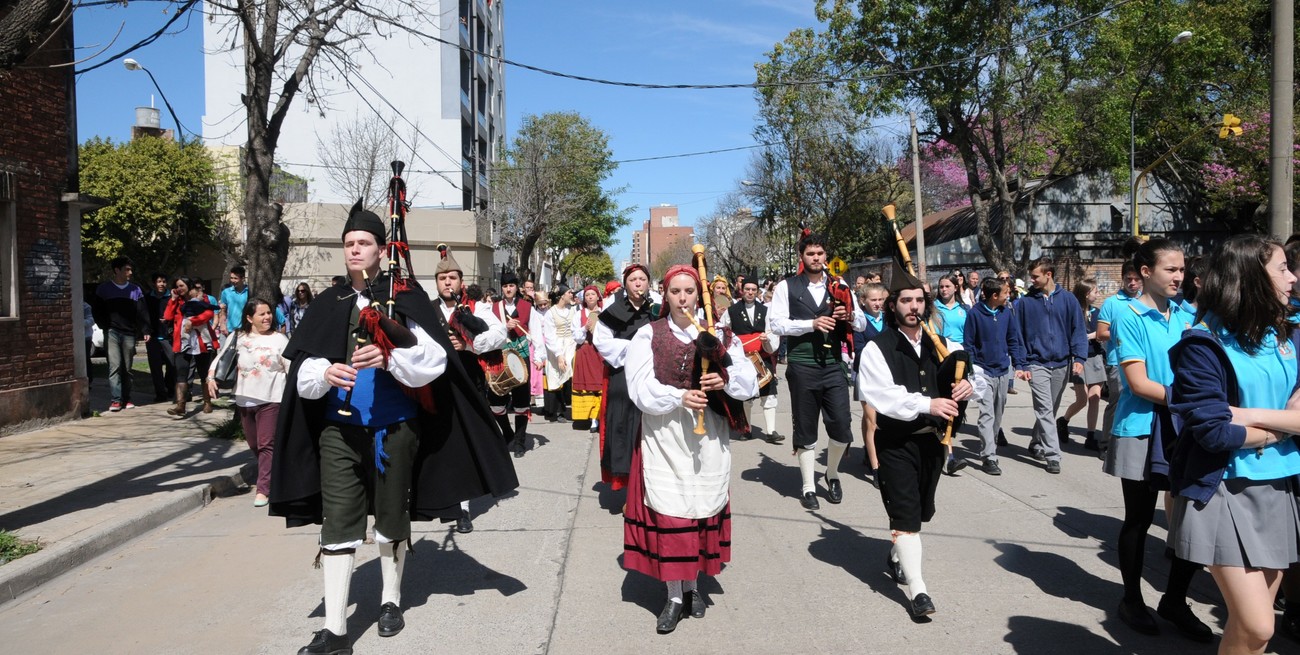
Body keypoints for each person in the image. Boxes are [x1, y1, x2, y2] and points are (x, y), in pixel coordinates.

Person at [270, 203, 517, 654]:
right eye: (349, 244)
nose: (355, 250)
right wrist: (324, 372)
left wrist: (390, 357)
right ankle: (335, 630)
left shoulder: (404, 299)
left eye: (364, 243)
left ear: (382, 250)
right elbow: (300, 369)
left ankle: (389, 600)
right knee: (338, 525)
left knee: (390, 518)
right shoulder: (329, 302)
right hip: (338, 432)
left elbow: (435, 361)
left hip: (395, 429)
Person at [1168, 234, 1300, 654]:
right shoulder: (1202, 344)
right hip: (1223, 488)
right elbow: (1214, 432)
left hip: (1278, 487)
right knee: (1259, 625)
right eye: (1282, 268)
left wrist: (1246, 415)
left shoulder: (1284, 335)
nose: (1293, 278)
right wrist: (1281, 428)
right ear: (1251, 278)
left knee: (1249, 634)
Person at [623, 264, 757, 634]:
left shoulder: (721, 335)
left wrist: (724, 379)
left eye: (689, 292)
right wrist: (679, 396)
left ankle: (694, 587)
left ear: (700, 296)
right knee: (671, 513)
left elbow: (750, 382)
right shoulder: (648, 335)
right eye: (675, 292)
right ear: (664, 296)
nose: (683, 299)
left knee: (701, 510)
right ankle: (674, 595)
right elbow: (639, 387)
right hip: (665, 434)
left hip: (708, 436)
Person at [858, 261, 979, 618]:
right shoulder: (877, 349)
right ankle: (919, 591)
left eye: (918, 300)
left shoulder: (940, 342)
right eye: (905, 300)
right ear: (893, 305)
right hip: (895, 443)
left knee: (922, 512)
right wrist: (928, 403)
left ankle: (897, 551)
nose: (913, 307)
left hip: (932, 444)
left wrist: (968, 386)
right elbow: (882, 396)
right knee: (907, 515)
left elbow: (971, 376)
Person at [1105, 238, 1208, 641]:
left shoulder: (1189, 315)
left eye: (1182, 270)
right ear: (1146, 272)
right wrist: (1198, 399)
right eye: (1171, 269)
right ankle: (1131, 599)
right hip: (1143, 428)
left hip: (1186, 427)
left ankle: (1175, 600)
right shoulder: (1128, 316)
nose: (1179, 277)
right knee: (1139, 518)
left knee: (1192, 519)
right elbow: (1139, 383)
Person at [768, 232, 866, 510]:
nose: (816, 258)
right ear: (802, 256)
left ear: (826, 256)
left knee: (841, 428)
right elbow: (776, 324)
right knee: (806, 427)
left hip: (834, 364)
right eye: (810, 254)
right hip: (802, 365)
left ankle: (832, 473)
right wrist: (811, 324)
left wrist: (848, 316)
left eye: (820, 253)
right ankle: (808, 486)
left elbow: (860, 322)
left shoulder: (840, 285)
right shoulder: (786, 287)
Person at [432, 246, 508, 535]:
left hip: (468, 382)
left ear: (461, 281)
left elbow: (499, 335)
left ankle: (462, 507)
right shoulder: (428, 309)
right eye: (443, 278)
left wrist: (469, 345)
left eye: (452, 277)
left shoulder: (477, 308)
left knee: (465, 442)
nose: (448, 282)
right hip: (436, 384)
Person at [207, 298, 289, 507]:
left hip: (272, 398)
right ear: (249, 317)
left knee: (266, 444)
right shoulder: (238, 337)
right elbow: (221, 359)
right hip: (244, 398)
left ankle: (263, 489)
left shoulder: (280, 339)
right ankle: (275, 471)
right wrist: (210, 378)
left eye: (269, 313)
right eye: (261, 314)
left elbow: (291, 367)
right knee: (254, 444)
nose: (267, 317)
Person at [1013, 258, 1087, 474]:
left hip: (1062, 363)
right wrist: (1021, 363)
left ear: (1049, 274)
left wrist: (1079, 358)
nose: (1031, 280)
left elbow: (1078, 329)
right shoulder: (1026, 302)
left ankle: (1036, 442)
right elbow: (1019, 336)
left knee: (1050, 408)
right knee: (1044, 409)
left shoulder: (1069, 300)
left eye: (1035, 276)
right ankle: (1053, 455)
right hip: (1037, 363)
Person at [595, 264, 659, 490]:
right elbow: (602, 342)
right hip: (622, 375)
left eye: (642, 279)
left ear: (648, 283)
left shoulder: (657, 309)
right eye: (633, 279)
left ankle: (650, 482)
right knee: (622, 424)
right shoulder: (613, 311)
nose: (638, 283)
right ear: (625, 284)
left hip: (653, 374)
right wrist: (635, 349)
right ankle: (628, 484)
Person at [963, 276, 1027, 476]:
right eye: (1006, 293)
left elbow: (1013, 339)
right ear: (994, 295)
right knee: (987, 414)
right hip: (983, 370)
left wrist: (1018, 363)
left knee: (998, 413)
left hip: (1002, 369)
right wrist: (972, 369)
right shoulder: (975, 314)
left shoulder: (1006, 312)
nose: (1009, 296)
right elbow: (969, 344)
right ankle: (988, 456)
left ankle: (991, 443)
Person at [491, 272, 546, 457]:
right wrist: (504, 328)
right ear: (502, 288)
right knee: (496, 402)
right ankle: (508, 435)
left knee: (521, 402)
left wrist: (539, 357)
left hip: (521, 358)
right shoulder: (493, 308)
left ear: (517, 287)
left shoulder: (527, 307)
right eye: (505, 286)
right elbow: (487, 333)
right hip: (500, 358)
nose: (508, 289)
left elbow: (537, 334)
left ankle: (520, 442)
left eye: (511, 285)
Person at [724, 278, 782, 443]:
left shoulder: (765, 311)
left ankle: (771, 432)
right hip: (743, 361)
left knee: (769, 394)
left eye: (753, 289)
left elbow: (772, 332)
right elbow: (724, 332)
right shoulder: (732, 311)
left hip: (762, 358)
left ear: (758, 292)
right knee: (746, 396)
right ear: (742, 290)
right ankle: (746, 429)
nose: (750, 292)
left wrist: (766, 339)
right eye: (747, 289)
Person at [1097, 261, 1144, 457]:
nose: (1132, 283)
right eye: (1128, 279)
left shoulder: (1146, 302)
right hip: (1118, 361)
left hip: (1142, 361)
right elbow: (1101, 333)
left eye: (1136, 279)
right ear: (1122, 280)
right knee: (1117, 402)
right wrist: (1124, 332)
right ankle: (1106, 443)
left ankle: (1130, 442)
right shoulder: (1112, 303)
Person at [94, 256, 151, 412]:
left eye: (131, 269)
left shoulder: (135, 290)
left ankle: (127, 398)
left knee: (127, 367)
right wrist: (104, 325)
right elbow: (97, 310)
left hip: (129, 333)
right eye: (127, 269)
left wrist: (146, 329)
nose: (130, 272)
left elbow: (142, 311)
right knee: (114, 366)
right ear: (117, 270)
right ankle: (116, 400)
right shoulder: (104, 289)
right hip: (111, 331)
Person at [1059, 279, 1105, 450]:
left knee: (1096, 397)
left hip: (1095, 357)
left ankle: (1091, 435)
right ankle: (1063, 420)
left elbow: (1101, 333)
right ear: (1087, 294)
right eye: (1095, 291)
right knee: (1082, 399)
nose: (1098, 294)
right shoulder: (1073, 311)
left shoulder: (1098, 312)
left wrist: (1092, 336)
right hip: (1078, 358)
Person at [163, 277, 219, 415]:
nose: (180, 288)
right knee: (181, 373)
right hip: (182, 342)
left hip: (201, 342)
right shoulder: (177, 301)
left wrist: (192, 321)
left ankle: (207, 402)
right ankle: (180, 405)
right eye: (177, 286)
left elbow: (208, 313)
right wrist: (173, 300)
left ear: (189, 285)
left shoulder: (201, 298)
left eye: (182, 285)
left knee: (204, 372)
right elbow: (168, 316)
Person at [853, 282, 888, 474]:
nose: (877, 303)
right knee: (872, 420)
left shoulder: (889, 320)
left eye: (880, 299)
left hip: (886, 377)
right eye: (873, 300)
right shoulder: (859, 323)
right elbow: (859, 351)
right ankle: (876, 467)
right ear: (863, 301)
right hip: (866, 376)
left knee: (879, 419)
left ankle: (870, 449)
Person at [571, 286, 605, 432]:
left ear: (598, 297)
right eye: (587, 295)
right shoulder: (579, 314)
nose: (590, 297)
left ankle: (598, 417)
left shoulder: (604, 313)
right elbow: (576, 337)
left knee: (599, 384)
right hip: (585, 351)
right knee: (588, 385)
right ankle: (590, 418)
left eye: (593, 294)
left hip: (599, 352)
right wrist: (585, 328)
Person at [542, 286, 577, 422]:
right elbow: (549, 335)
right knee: (556, 376)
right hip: (556, 346)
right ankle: (557, 411)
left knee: (569, 374)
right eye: (569, 292)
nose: (571, 294)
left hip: (571, 344)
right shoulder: (551, 313)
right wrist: (558, 354)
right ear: (562, 295)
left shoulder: (572, 310)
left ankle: (570, 407)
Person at [145, 272, 175, 402]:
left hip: (168, 335)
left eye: (163, 281)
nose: (161, 284)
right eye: (159, 282)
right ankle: (160, 393)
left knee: (172, 363)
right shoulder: (147, 298)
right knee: (155, 366)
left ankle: (170, 388)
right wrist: (145, 330)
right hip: (152, 336)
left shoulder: (172, 297)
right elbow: (143, 315)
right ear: (154, 283)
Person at [217, 266, 249, 337]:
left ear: (243, 278)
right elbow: (223, 310)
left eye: (235, 278)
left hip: (246, 330)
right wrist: (222, 325)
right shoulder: (226, 292)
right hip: (230, 329)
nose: (232, 280)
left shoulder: (249, 291)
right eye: (231, 278)